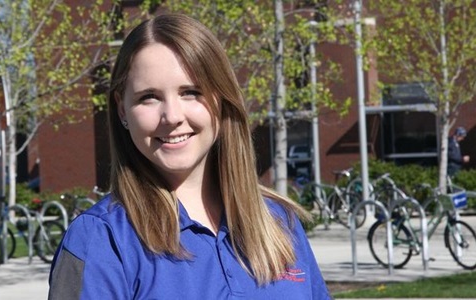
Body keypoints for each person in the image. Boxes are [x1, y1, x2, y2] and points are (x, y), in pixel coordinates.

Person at [48, 14, 329, 299]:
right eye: (149, 97)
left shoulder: (279, 222)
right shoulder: (101, 238)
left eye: (191, 92)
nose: (172, 116)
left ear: (222, 99)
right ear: (122, 109)